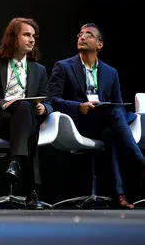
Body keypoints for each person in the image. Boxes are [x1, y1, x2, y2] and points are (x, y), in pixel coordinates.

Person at [49, 23, 145, 209]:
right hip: (78, 122)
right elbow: (52, 100)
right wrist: (79, 107)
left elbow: (117, 103)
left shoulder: (111, 72)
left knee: (112, 131)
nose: (82, 37)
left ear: (99, 44)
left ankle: (119, 194)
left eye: (88, 34)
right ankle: (139, 162)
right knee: (115, 116)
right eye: (80, 34)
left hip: (107, 122)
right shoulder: (63, 67)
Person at [0, 17, 53, 210]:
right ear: (13, 37)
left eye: (33, 36)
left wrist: (45, 108)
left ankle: (15, 163)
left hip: (25, 119)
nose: (32, 40)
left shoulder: (38, 70)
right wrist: (4, 103)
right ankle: (32, 193)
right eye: (26, 34)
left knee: (25, 110)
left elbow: (49, 100)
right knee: (26, 117)